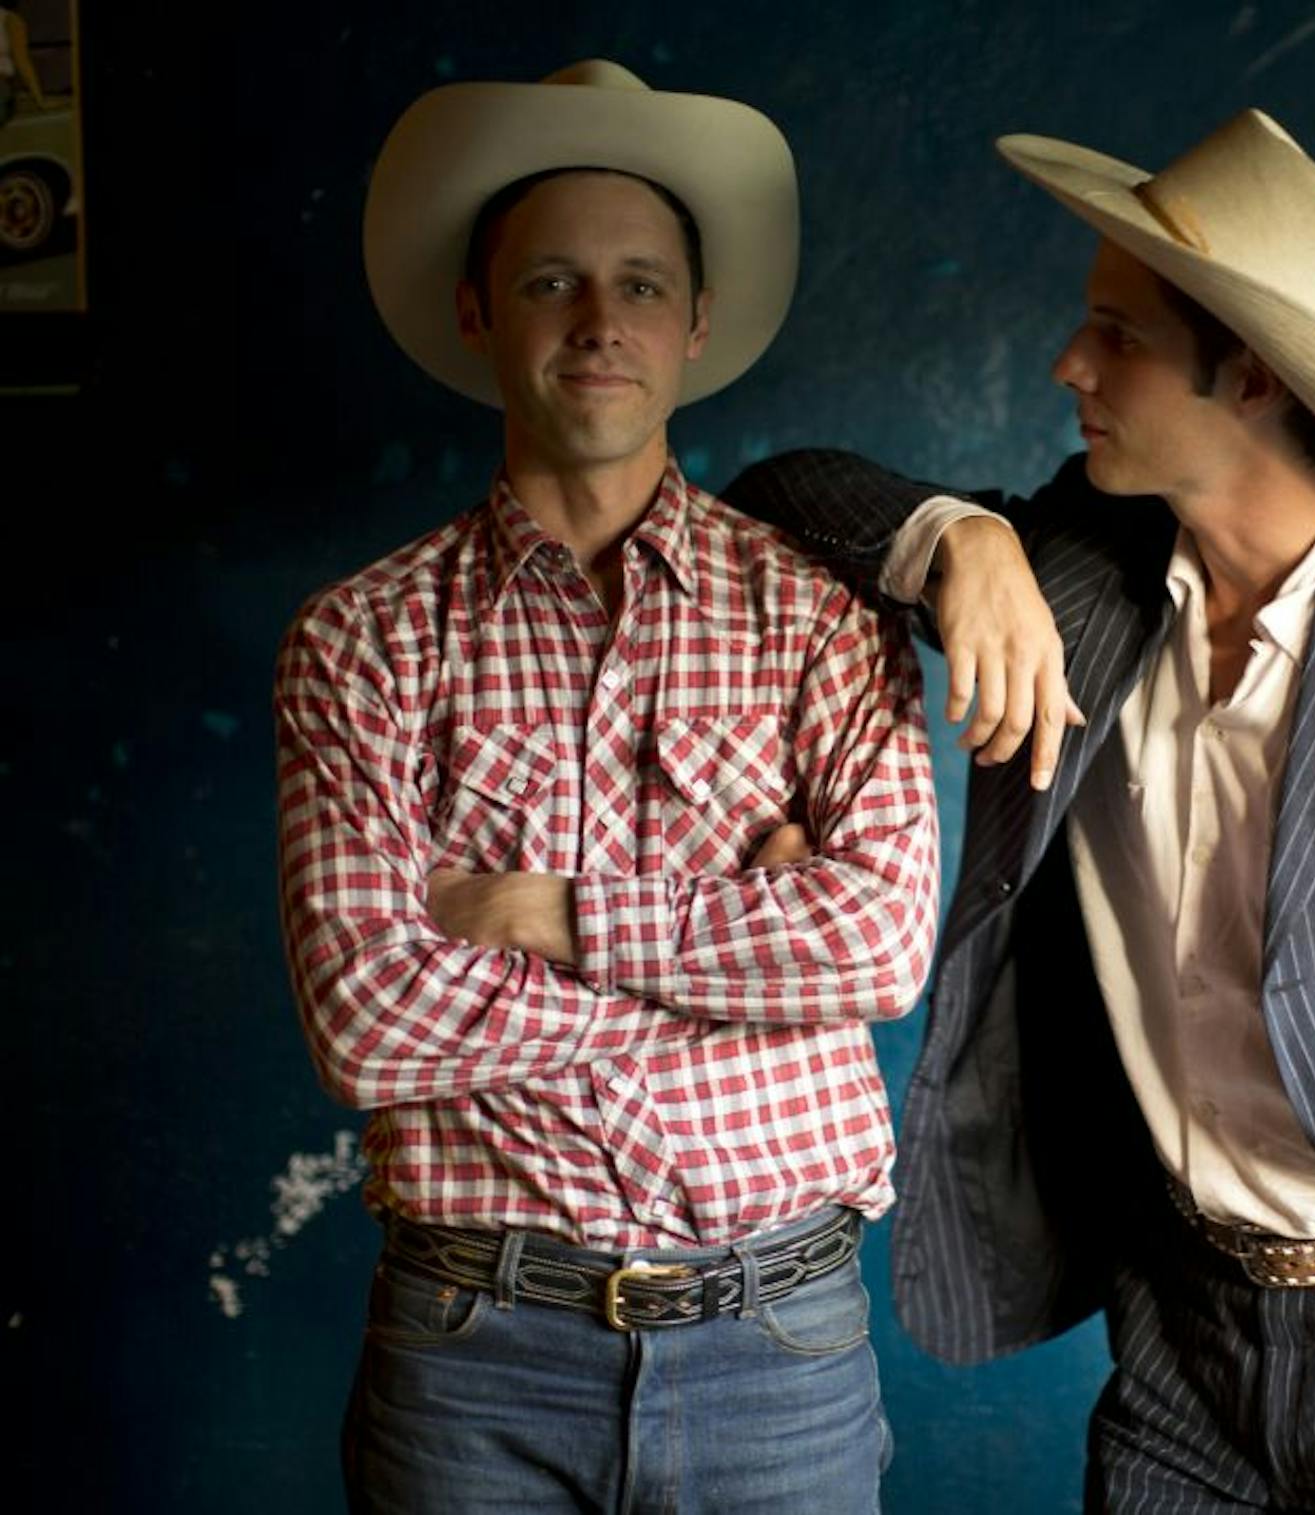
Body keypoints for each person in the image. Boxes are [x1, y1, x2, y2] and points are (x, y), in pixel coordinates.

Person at [727, 108, 1315, 1513]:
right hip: (1179, 1345)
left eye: (1115, 334)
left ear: (1248, 373)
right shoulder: (1080, 574)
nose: (1072, 364)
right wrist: (967, 541)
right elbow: (775, 498)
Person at [273, 61, 938, 1513]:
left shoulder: (821, 619)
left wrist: (541, 915)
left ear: (695, 324)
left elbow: (878, 949)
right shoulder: (363, 640)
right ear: (477, 310)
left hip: (779, 1346)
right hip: (473, 1356)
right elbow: (367, 1019)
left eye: (640, 285)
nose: (598, 322)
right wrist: (746, 947)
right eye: (550, 282)